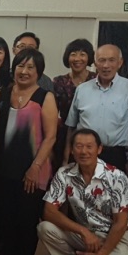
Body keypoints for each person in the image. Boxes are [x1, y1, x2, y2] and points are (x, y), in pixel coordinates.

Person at [39, 128, 128, 255]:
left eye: (89, 146)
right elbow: (49, 212)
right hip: (88, 234)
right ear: (72, 150)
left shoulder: (116, 177)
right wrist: (83, 231)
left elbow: (121, 222)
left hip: (117, 236)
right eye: (79, 146)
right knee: (45, 228)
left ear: (99, 149)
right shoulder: (64, 174)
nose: (84, 151)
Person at [0, 48, 58, 255]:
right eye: (20, 66)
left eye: (30, 67)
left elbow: (50, 137)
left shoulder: (44, 97)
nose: (24, 71)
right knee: (6, 213)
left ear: (39, 72)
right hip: (4, 166)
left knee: (27, 217)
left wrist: (35, 166)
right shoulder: (4, 93)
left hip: (33, 168)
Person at [65, 44, 128, 170]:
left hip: (115, 154)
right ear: (95, 63)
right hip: (84, 153)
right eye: (102, 60)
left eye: (111, 60)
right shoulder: (82, 89)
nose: (106, 66)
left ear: (120, 63)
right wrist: (65, 159)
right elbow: (71, 127)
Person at [50, 38, 94, 168]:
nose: (77, 59)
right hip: (63, 136)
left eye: (82, 54)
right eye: (73, 54)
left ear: (89, 58)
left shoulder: (96, 80)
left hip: (90, 135)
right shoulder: (59, 82)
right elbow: (53, 113)